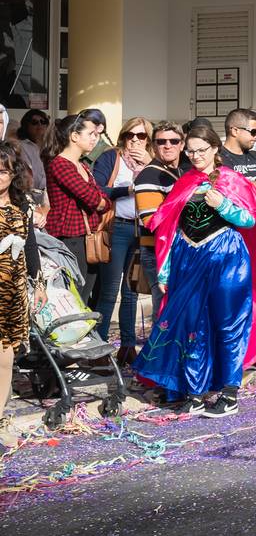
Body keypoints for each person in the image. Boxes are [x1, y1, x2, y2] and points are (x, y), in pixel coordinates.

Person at [133, 124, 256, 416]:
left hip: (227, 259)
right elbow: (170, 228)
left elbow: (248, 221)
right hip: (188, 260)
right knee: (192, 327)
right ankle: (196, 393)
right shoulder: (185, 182)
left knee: (228, 325)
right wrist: (165, 270)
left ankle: (230, 394)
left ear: (214, 150)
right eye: (191, 151)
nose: (195, 156)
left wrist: (223, 205)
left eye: (201, 150)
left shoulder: (231, 180)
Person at [90, 117, 152, 359]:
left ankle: (127, 347)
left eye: (141, 136)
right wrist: (127, 189)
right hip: (118, 228)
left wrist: (149, 164)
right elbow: (96, 189)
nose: (135, 140)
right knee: (109, 291)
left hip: (142, 230)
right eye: (130, 135)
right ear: (123, 136)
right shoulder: (111, 157)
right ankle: (100, 349)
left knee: (132, 291)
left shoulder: (151, 160)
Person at [0, 143, 45, 448]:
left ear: (13, 173)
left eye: (3, 171)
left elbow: (30, 247)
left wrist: (38, 284)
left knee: (5, 357)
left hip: (12, 290)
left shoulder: (22, 204)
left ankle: (0, 418)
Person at [44, 113, 110, 296]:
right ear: (74, 136)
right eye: (91, 134)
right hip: (68, 236)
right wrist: (101, 201)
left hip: (87, 236)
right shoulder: (60, 164)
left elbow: (103, 200)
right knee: (74, 295)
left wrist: (102, 201)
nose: (95, 138)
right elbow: (93, 199)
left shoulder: (83, 165)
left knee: (86, 294)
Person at [133, 121, 185, 317]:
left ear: (182, 143)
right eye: (161, 141)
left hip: (178, 250)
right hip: (158, 253)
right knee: (164, 311)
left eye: (174, 140)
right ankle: (159, 348)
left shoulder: (179, 172)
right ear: (153, 146)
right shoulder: (149, 176)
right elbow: (152, 222)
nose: (168, 145)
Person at [16, 109, 51, 213]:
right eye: (34, 122)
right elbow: (26, 177)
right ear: (26, 126)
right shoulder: (22, 146)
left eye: (43, 121)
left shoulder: (51, 146)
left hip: (50, 197)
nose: (39, 124)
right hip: (29, 197)